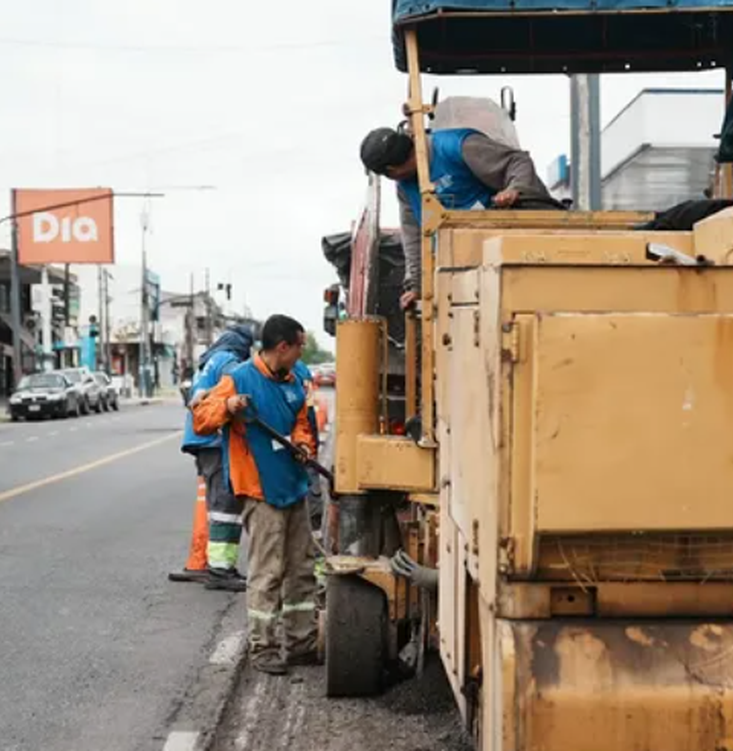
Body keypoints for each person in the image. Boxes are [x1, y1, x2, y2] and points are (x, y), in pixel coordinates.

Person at [193, 315, 318, 675]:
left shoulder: (295, 381)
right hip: (260, 490)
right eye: (299, 346)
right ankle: (263, 648)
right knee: (267, 572)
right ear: (283, 347)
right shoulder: (240, 378)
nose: (301, 353)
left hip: (293, 485)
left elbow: (300, 422)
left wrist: (302, 444)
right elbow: (201, 417)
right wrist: (228, 407)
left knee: (302, 569)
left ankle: (301, 644)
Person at [359, 124, 563, 309]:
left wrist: (514, 188)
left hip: (519, 249)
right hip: (466, 268)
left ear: (391, 170)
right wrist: (417, 286)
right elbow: (414, 236)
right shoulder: (406, 188)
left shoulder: (457, 146)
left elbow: (517, 162)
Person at [170, 323, 258, 593]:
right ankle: (221, 570)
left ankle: (214, 565)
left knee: (216, 503)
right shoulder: (228, 361)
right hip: (215, 438)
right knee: (225, 505)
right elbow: (242, 384)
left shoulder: (209, 361)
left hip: (201, 439)